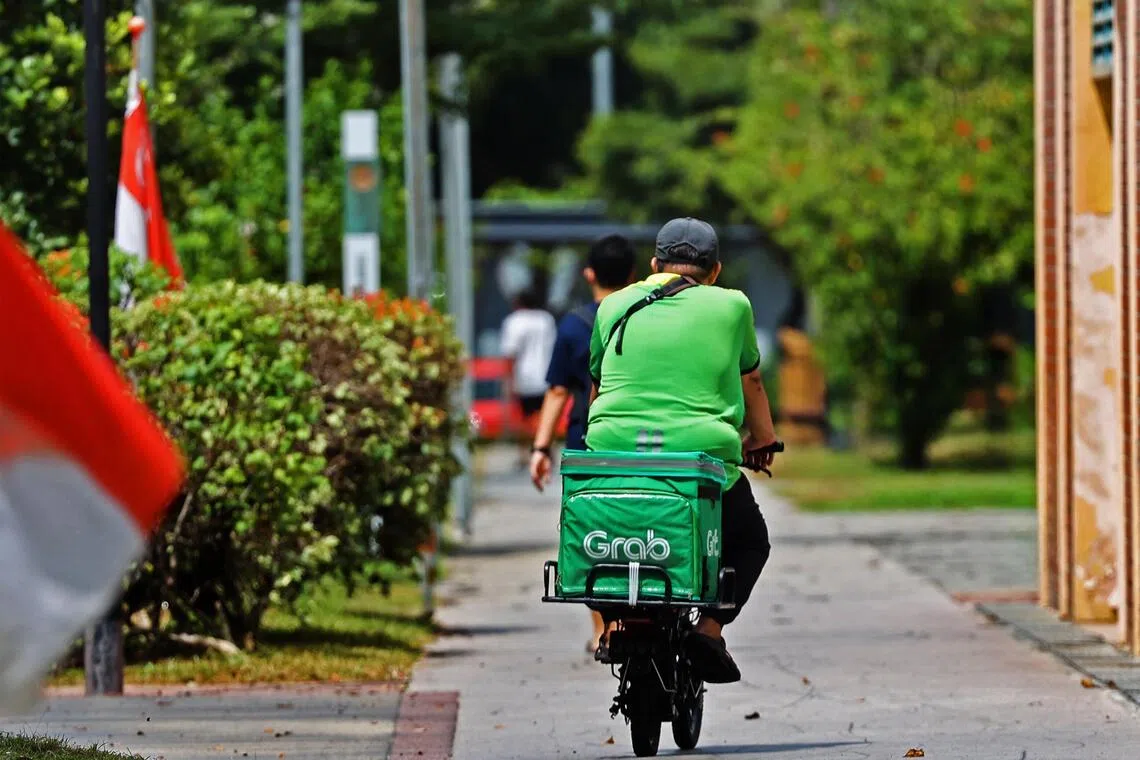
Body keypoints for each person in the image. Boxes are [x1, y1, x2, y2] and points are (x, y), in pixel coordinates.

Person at [585, 217, 778, 684]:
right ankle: (709, 630)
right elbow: (750, 379)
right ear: (715, 271)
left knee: (607, 531)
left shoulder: (613, 305)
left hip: (615, 455)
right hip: (699, 460)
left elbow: (598, 384)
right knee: (750, 541)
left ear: (653, 266)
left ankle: (613, 623)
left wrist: (602, 444)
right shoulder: (732, 307)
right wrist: (763, 440)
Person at [528, 234, 637, 653]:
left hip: (587, 442)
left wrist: (541, 449)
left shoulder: (574, 324)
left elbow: (557, 391)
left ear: (588, 273)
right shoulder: (644, 316)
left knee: (594, 529)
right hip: (637, 441)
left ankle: (603, 626)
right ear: (633, 273)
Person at [500, 289, 557, 467]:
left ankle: (526, 453)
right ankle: (547, 448)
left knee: (525, 417)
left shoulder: (514, 321)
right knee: (544, 414)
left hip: (524, 376)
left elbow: (510, 353)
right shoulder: (546, 319)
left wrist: (508, 380)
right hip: (546, 374)